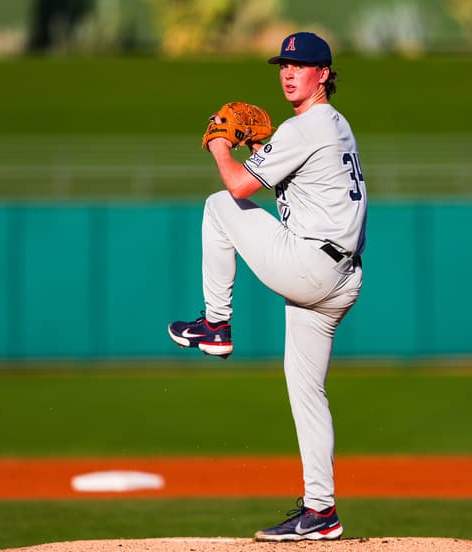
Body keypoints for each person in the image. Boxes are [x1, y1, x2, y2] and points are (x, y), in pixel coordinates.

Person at [167, 31, 367, 541]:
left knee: (218, 205)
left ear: (324, 74)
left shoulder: (307, 127)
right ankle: (321, 511)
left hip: (311, 266)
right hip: (341, 277)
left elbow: (238, 185)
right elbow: (295, 182)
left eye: (301, 66)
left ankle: (215, 323)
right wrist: (261, 144)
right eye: (283, 64)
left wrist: (218, 142)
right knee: (307, 391)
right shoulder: (334, 125)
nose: (288, 72)